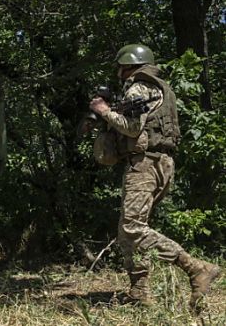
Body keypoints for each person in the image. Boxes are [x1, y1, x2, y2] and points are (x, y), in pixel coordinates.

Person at [89, 44, 220, 308]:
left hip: (145, 165)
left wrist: (104, 111)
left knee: (132, 228)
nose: (117, 72)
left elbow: (132, 127)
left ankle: (196, 268)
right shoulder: (157, 87)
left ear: (127, 66)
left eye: (119, 67)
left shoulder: (139, 86)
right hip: (160, 163)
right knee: (129, 233)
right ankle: (139, 294)